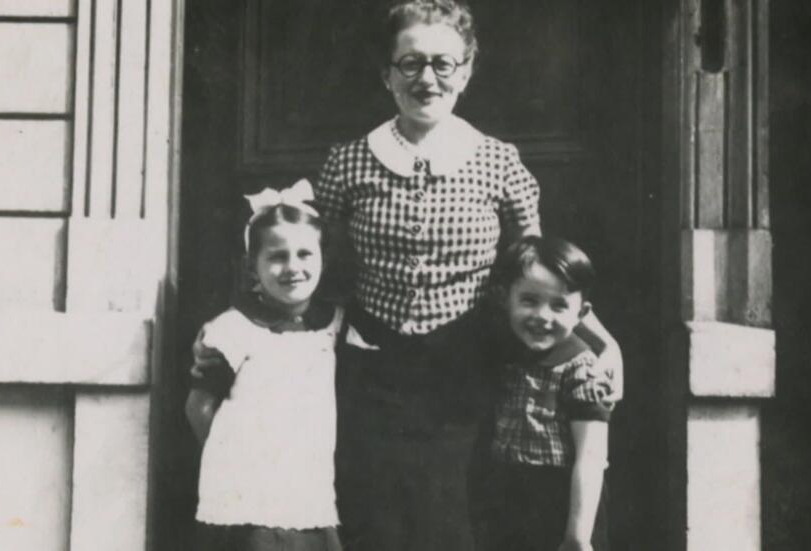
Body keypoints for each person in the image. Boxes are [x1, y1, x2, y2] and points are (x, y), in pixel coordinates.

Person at [195, 1, 623, 549]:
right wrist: (234, 326)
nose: (428, 78)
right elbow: (303, 260)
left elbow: (535, 269)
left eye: (444, 64)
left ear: (466, 71)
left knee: (455, 521)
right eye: (411, 63)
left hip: (471, 370)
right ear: (387, 75)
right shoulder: (348, 163)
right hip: (372, 371)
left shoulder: (498, 162)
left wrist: (598, 339)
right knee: (379, 519)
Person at [185, 180, 344, 551]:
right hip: (248, 501)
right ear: (251, 266)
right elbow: (198, 407)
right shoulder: (232, 330)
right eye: (277, 256)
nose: (292, 267)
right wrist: (236, 457)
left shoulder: (335, 324)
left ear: (323, 260)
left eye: (305, 254)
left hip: (310, 492)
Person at [485, 235, 614, 551]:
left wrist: (577, 537)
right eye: (529, 300)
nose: (542, 316)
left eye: (559, 305)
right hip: (508, 499)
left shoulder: (581, 368)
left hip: (562, 504)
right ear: (506, 300)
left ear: (582, 313)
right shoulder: (506, 355)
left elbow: (591, 456)